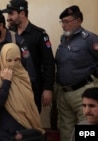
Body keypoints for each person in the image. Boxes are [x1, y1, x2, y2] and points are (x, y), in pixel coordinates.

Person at [0, 43, 44, 141]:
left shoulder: (23, 76)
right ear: (2, 59)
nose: (13, 64)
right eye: (9, 60)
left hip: (24, 130)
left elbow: (30, 104)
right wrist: (6, 81)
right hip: (5, 133)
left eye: (16, 60)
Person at [2, 0, 55, 112]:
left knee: (32, 124)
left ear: (22, 13)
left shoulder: (39, 35)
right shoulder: (8, 34)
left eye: (11, 14)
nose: (8, 18)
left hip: (32, 87)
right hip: (11, 86)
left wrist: (48, 88)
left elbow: (49, 63)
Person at [55, 5, 98, 141]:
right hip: (64, 93)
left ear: (78, 21)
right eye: (62, 22)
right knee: (66, 132)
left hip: (83, 93)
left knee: (86, 130)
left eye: (67, 21)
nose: (63, 25)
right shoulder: (63, 40)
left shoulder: (90, 39)